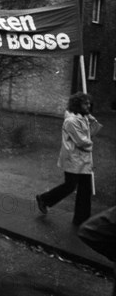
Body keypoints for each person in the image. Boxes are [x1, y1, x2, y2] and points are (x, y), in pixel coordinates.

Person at [36, 92, 103, 226]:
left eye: (89, 103)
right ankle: (44, 199)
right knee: (70, 186)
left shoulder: (83, 119)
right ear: (77, 104)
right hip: (73, 159)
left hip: (83, 160)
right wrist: (90, 144)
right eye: (85, 103)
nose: (88, 106)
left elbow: (92, 133)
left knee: (85, 189)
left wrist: (92, 121)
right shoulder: (71, 121)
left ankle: (81, 219)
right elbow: (82, 142)